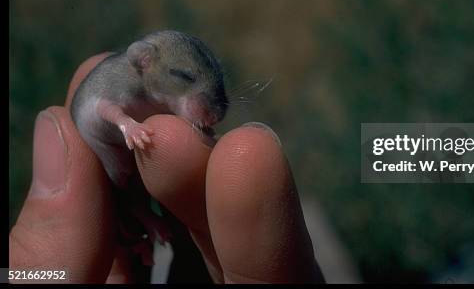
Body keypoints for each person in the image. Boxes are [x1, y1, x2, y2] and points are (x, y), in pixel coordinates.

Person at [9, 53, 324, 284]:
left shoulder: (153, 91)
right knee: (123, 213)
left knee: (146, 201)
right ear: (145, 62)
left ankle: (147, 236)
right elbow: (102, 108)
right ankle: (145, 237)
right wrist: (126, 125)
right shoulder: (121, 79)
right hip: (108, 165)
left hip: (129, 178)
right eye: (186, 80)